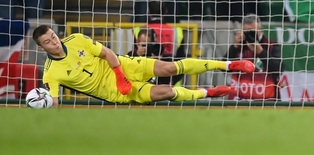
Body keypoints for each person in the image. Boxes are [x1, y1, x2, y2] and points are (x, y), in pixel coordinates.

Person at [33, 25, 255, 105]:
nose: (54, 42)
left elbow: (108, 53)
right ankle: (208, 92)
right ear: (42, 48)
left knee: (170, 67)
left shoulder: (76, 39)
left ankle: (229, 64)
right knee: (166, 91)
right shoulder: (51, 73)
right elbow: (53, 100)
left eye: (53, 36)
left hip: (124, 67)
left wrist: (120, 75)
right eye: (48, 42)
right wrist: (40, 103)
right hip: (116, 93)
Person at [227, 14, 284, 99]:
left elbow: (279, 69)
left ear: (261, 30)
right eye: (247, 32)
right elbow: (223, 68)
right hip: (240, 99)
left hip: (266, 99)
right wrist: (234, 46)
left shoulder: (271, 45)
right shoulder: (239, 46)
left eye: (253, 32)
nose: (251, 35)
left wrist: (260, 51)